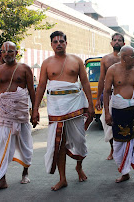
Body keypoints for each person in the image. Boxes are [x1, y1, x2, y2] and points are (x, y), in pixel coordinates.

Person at [32, 31, 94, 191]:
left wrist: (91, 105)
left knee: (80, 141)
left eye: (61, 41)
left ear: (66, 43)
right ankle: (62, 178)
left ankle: (79, 167)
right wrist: (35, 109)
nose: (58, 43)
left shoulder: (77, 60)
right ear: (51, 44)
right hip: (56, 107)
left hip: (75, 105)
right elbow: (41, 86)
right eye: (55, 41)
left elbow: (85, 83)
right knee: (58, 143)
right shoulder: (46, 63)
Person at [0, 41, 35, 192]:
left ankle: (25, 172)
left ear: (16, 53)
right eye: (4, 51)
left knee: (24, 145)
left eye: (10, 51)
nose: (7, 54)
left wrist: (35, 111)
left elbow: (32, 92)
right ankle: (2, 180)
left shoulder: (24, 69)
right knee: (1, 146)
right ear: (1, 54)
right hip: (3, 115)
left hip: (21, 114)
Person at [104, 46, 134, 185]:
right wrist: (107, 112)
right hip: (119, 111)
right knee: (119, 143)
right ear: (123, 57)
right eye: (132, 56)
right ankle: (124, 173)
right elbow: (106, 92)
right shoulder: (112, 70)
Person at [95, 33, 125, 160]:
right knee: (108, 123)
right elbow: (102, 79)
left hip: (125, 94)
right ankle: (113, 149)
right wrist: (98, 99)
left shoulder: (128, 57)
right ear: (111, 43)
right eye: (114, 40)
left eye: (119, 40)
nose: (117, 42)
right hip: (110, 94)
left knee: (125, 123)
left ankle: (124, 150)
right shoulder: (105, 59)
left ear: (123, 43)